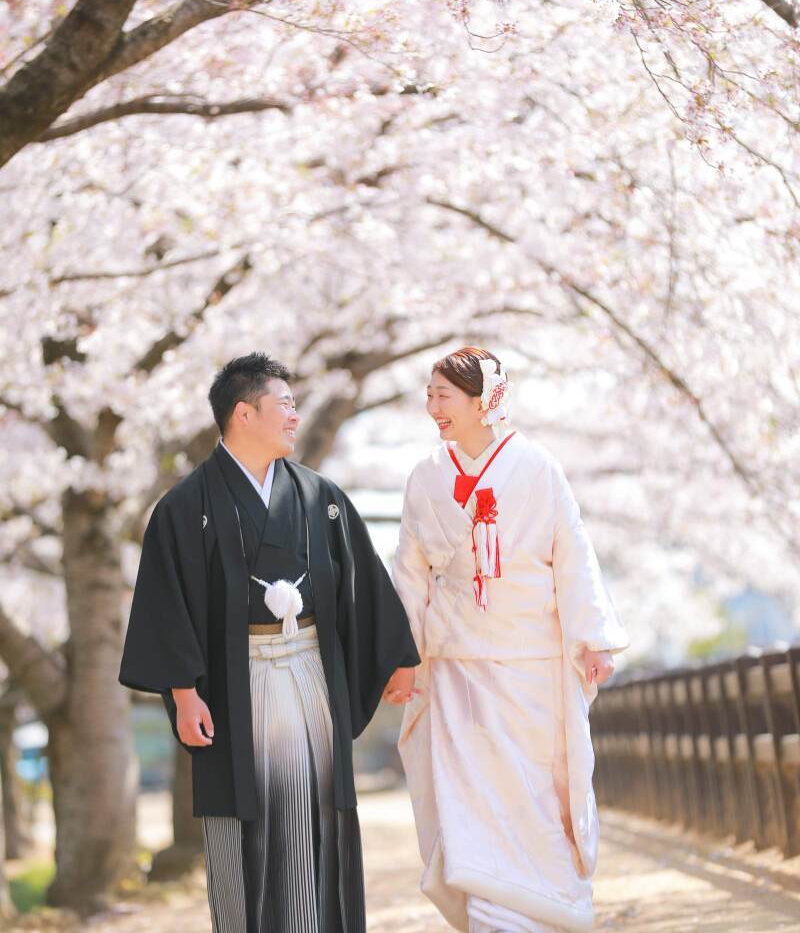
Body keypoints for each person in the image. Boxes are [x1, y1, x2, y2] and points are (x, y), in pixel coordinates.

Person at [119, 352, 419, 933]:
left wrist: (398, 658)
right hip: (237, 684)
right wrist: (183, 693)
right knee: (242, 827)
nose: (294, 416)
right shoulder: (184, 508)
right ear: (243, 413)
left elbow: (363, 579)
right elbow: (167, 602)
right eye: (284, 404)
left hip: (308, 672)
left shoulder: (318, 497)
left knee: (318, 815)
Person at [389, 346, 629, 933]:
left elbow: (572, 552)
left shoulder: (538, 466)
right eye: (429, 394)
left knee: (536, 791)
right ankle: (492, 919)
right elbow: (409, 572)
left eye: (442, 395)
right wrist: (403, 658)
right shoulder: (426, 476)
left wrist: (592, 638)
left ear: (481, 400)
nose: (431, 406)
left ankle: (548, 910)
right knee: (468, 795)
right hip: (455, 664)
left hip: (532, 660)